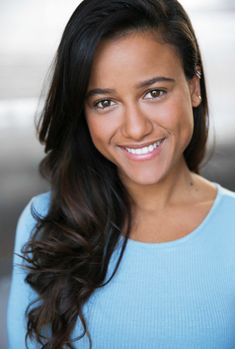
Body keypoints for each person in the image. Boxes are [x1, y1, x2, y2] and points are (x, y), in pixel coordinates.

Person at [7, 0, 235, 348]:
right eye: (105, 102)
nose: (135, 128)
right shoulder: (46, 224)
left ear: (194, 87)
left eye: (154, 92)